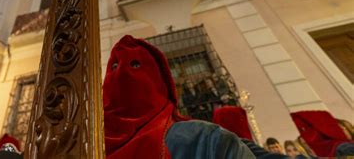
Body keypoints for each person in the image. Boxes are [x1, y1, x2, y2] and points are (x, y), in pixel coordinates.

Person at [103, 35, 289, 159]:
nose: (121, 74)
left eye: (135, 65)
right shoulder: (204, 138)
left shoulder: (204, 139)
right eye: (114, 67)